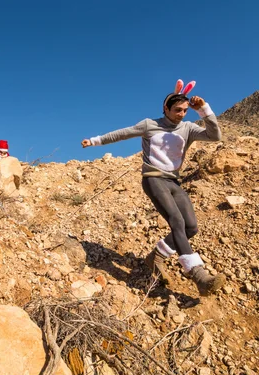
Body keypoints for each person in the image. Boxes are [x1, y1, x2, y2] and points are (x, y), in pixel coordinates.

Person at [81, 80, 226, 296]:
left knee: (191, 228)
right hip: (153, 179)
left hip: (173, 181)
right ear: (165, 109)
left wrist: (204, 111)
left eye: (185, 111)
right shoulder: (150, 125)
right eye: (177, 110)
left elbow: (215, 136)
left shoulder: (188, 128)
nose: (181, 114)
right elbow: (123, 133)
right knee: (176, 220)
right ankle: (198, 274)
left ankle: (156, 256)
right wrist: (94, 141)